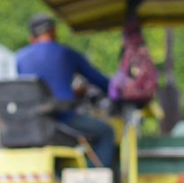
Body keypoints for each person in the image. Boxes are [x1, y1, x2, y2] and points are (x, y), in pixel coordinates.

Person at [15, 13, 116, 168]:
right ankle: (92, 176)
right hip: (63, 118)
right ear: (54, 30)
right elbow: (99, 81)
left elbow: (38, 88)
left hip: (34, 121)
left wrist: (72, 92)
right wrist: (118, 90)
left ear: (32, 36)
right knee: (106, 131)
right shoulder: (66, 53)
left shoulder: (20, 57)